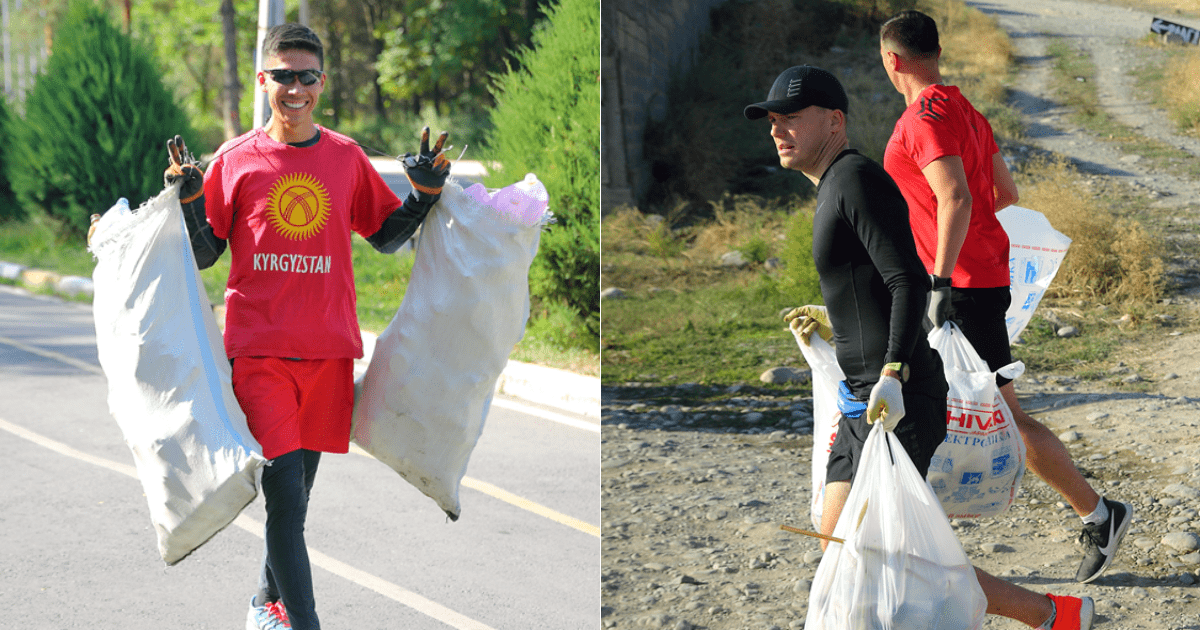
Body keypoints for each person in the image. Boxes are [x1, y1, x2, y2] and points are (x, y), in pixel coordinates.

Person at [746, 64, 1094, 630]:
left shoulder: (855, 179)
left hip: (900, 398)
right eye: (771, 120)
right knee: (846, 545)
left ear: (835, 120)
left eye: (790, 117)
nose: (776, 130)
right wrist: (836, 331)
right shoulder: (833, 186)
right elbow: (873, 290)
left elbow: (907, 279)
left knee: (895, 555)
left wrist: (891, 370)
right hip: (861, 399)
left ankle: (1052, 614)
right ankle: (1053, 615)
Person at [163, 23, 451, 630]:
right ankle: (304, 623)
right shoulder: (236, 160)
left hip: (326, 353)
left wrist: (423, 195)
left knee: (297, 500)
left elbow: (384, 236)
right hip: (260, 353)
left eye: (307, 76)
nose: (296, 88)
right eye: (283, 76)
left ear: (322, 82)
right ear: (263, 80)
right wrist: (191, 201)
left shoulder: (345, 158)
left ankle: (263, 605)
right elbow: (208, 252)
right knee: (286, 501)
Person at [878, 9, 1131, 584]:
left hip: (957, 291)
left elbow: (958, 199)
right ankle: (914, 539)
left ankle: (1098, 513)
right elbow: (1005, 192)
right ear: (936, 52)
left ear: (892, 60)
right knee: (938, 408)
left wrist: (940, 277)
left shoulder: (922, 118)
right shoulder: (967, 110)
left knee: (991, 415)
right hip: (979, 280)